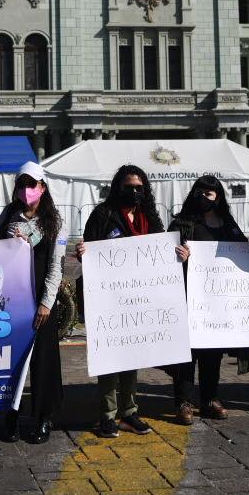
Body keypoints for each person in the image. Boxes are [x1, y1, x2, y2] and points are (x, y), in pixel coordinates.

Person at [75, 164, 184, 439]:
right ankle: (107, 415)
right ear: (118, 187)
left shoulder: (149, 216)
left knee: (133, 355)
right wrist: (82, 252)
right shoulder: (104, 213)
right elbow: (89, 247)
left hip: (140, 297)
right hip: (110, 297)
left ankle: (129, 411)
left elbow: (163, 248)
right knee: (111, 356)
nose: (134, 191)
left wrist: (180, 254)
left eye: (139, 187)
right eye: (129, 187)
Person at [0, 161, 65, 444]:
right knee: (10, 359)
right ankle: (11, 416)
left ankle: (43, 417)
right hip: (10, 300)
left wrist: (46, 303)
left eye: (31, 185)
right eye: (21, 185)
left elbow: (56, 266)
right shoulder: (9, 215)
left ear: (42, 188)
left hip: (39, 298)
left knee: (44, 361)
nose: (26, 190)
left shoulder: (53, 220)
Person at [165, 175, 246, 423]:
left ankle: (210, 399)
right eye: (199, 192)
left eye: (209, 194)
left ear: (218, 197)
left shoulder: (227, 223)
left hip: (218, 299)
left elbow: (245, 250)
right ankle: (184, 402)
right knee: (187, 353)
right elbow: (162, 255)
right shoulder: (182, 223)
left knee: (213, 352)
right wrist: (180, 255)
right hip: (189, 297)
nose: (204, 197)